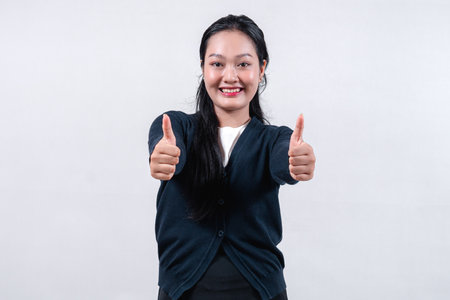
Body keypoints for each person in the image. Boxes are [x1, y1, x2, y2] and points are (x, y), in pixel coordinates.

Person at [148, 14, 316, 300]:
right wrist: (164, 156)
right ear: (202, 67)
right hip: (182, 289)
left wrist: (294, 161)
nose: (230, 76)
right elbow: (166, 149)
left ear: (262, 69)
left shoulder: (276, 139)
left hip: (260, 290)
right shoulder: (175, 127)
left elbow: (283, 159)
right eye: (217, 63)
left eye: (243, 64)